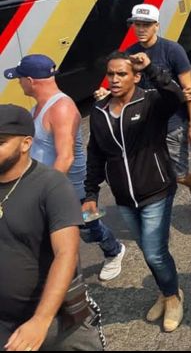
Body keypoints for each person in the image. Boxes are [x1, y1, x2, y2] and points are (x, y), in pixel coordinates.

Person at [84, 51, 186, 331]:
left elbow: (176, 97)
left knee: (154, 253)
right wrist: (90, 193)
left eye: (122, 74)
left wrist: (152, 68)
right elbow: (95, 153)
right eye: (111, 74)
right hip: (124, 198)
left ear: (135, 76)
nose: (114, 79)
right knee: (148, 251)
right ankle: (166, 291)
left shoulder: (151, 101)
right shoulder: (99, 111)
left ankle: (173, 297)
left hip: (156, 190)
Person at [6, 55, 125, 281]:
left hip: (71, 188)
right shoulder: (37, 108)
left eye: (19, 79)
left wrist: (38, 193)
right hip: (48, 184)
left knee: (88, 230)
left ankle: (114, 250)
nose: (19, 83)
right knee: (51, 236)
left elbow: (65, 158)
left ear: (31, 80)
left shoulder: (61, 109)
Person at [0, 105, 103, 351]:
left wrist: (40, 320)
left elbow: (66, 253)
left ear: (25, 144)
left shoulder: (51, 185)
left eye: (0, 142)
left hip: (57, 322)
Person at [123, 4, 191, 216]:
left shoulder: (172, 51)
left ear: (157, 26)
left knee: (178, 175)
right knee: (152, 174)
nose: (141, 29)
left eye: (146, 25)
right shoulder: (129, 54)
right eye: (137, 25)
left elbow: (188, 91)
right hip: (145, 125)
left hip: (174, 123)